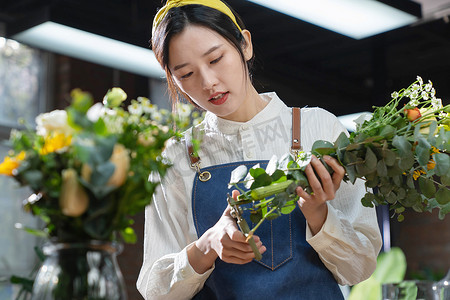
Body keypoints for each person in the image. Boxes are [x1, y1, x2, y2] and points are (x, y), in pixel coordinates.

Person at [137, 0, 382, 299]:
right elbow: (155, 291)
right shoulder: (175, 158)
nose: (209, 82)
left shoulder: (319, 129)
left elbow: (359, 268)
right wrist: (208, 245)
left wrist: (318, 213)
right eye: (186, 74)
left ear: (245, 44)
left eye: (215, 59)